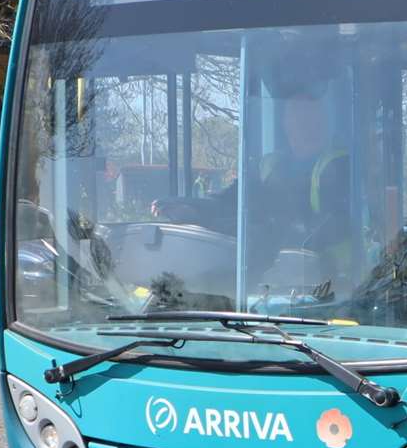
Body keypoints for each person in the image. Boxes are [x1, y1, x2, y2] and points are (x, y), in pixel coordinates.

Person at [151, 50, 354, 297]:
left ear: (322, 121)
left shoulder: (340, 167)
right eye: (293, 114)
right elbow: (230, 203)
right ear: (285, 122)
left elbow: (322, 229)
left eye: (308, 114)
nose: (300, 123)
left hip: (329, 286)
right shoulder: (269, 165)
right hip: (268, 280)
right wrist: (192, 210)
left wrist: (258, 234)